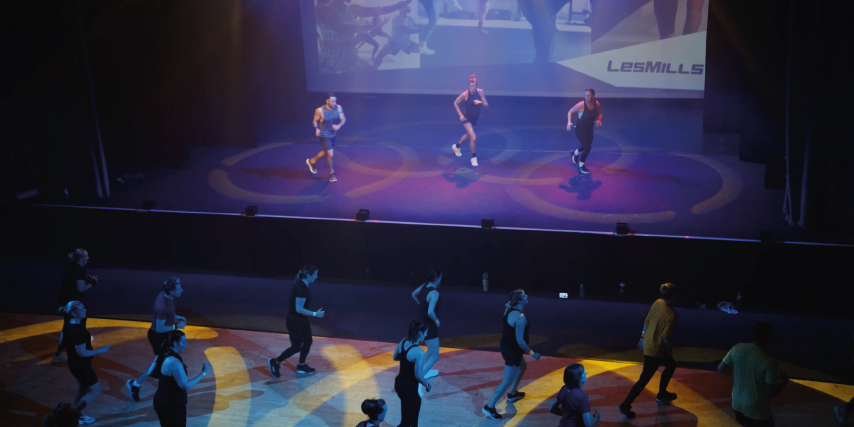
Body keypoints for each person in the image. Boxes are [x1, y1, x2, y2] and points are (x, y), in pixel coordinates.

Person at [618, 282, 679, 419]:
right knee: (643, 380)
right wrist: (669, 349)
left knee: (671, 364)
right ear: (674, 296)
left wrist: (642, 337)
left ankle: (662, 394)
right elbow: (665, 337)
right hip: (656, 350)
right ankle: (625, 404)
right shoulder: (671, 315)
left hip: (649, 344)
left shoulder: (657, 303)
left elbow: (647, 322)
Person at [483, 289, 541, 420]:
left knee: (523, 367)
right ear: (519, 300)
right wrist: (532, 353)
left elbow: (508, 306)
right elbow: (520, 341)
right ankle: (489, 406)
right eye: (524, 296)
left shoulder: (508, 309)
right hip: (513, 351)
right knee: (506, 381)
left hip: (507, 346)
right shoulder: (520, 318)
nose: (527, 296)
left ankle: (513, 393)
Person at [718, 322, 790, 427]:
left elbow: (721, 369)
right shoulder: (769, 361)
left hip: (737, 404)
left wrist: (739, 375)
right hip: (758, 411)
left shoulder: (737, 348)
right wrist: (784, 382)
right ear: (769, 337)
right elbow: (771, 392)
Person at [127, 277, 187, 401]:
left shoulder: (165, 296)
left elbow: (168, 315)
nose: (182, 289)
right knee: (157, 366)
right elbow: (159, 328)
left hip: (164, 335)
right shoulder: (163, 305)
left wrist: (177, 316)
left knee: (162, 364)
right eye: (179, 288)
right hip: (158, 337)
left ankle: (137, 384)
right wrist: (177, 326)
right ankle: (134, 385)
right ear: (171, 291)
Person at [58, 301, 110, 425]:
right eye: (82, 309)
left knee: (82, 388)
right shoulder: (80, 332)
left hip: (73, 364)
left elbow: (61, 342)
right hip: (82, 367)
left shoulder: (67, 325)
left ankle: (77, 415)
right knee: (94, 391)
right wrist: (101, 350)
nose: (85, 310)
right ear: (75, 314)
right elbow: (82, 353)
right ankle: (74, 415)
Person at [269, 265, 325, 376]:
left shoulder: (304, 285)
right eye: (315, 274)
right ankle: (275, 362)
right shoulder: (301, 288)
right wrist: (315, 314)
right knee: (296, 347)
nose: (317, 276)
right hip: (294, 321)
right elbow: (298, 309)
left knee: (308, 341)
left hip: (301, 320)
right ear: (308, 275)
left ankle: (301, 366)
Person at [153, 330, 212, 427]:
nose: (186, 343)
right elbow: (186, 386)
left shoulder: (163, 354)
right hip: (170, 405)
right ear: (175, 343)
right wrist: (204, 372)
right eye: (183, 341)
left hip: (163, 401)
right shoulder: (173, 361)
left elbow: (150, 372)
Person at [54, 249, 98, 363]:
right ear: (80, 258)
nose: (87, 259)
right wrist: (92, 284)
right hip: (71, 302)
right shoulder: (78, 270)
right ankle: (61, 353)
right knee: (76, 324)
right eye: (86, 257)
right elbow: (81, 288)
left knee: (70, 325)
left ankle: (67, 349)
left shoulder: (72, 266)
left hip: (66, 300)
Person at [392, 320, 432, 427]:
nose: (426, 335)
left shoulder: (403, 341)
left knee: (405, 418)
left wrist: (406, 361)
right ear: (419, 334)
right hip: (409, 388)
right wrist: (427, 384)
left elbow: (395, 357)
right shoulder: (418, 352)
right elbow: (418, 375)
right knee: (411, 422)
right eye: (425, 333)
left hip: (399, 384)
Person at [411, 270, 442, 386]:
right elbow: (430, 312)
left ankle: (426, 371)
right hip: (429, 325)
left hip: (421, 323)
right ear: (438, 278)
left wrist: (422, 305)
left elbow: (413, 294)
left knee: (430, 349)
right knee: (435, 356)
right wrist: (437, 321)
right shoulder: (434, 293)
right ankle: (418, 378)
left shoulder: (424, 286)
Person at [309, 93, 346, 183]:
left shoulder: (338, 108)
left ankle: (312, 161)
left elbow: (343, 119)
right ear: (327, 101)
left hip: (333, 134)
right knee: (330, 154)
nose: (334, 103)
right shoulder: (320, 110)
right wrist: (317, 129)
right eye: (333, 101)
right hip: (324, 135)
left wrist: (339, 126)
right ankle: (331, 174)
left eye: (335, 101)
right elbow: (315, 121)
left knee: (326, 153)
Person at [452, 75, 488, 167]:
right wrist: (460, 115)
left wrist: (480, 102)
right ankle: (474, 158)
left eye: (474, 86)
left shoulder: (480, 92)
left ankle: (456, 146)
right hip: (466, 118)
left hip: (475, 119)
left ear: (476, 86)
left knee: (469, 135)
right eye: (470, 86)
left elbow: (486, 105)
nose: (472, 88)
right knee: (473, 137)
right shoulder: (464, 94)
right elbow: (455, 103)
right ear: (468, 86)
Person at [566, 88, 602, 174]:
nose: (587, 97)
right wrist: (569, 122)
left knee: (586, 145)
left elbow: (600, 113)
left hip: (589, 128)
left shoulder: (596, 104)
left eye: (589, 95)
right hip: (579, 128)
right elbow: (570, 111)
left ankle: (574, 153)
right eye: (585, 95)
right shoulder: (581, 105)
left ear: (593, 96)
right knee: (587, 148)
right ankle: (581, 166)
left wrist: (599, 119)